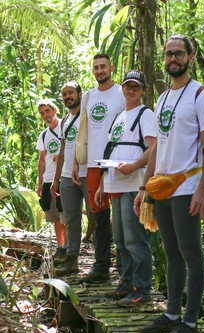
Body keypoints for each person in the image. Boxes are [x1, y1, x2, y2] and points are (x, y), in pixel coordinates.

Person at [134, 34, 204, 333]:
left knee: (191, 252)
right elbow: (156, 148)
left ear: (191, 57)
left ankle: (190, 323)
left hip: (187, 185)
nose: (172, 59)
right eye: (168, 54)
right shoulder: (164, 97)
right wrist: (145, 188)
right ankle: (171, 314)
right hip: (162, 188)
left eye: (179, 54)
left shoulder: (202, 96)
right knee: (171, 252)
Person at [96, 70, 156, 307]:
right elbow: (111, 150)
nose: (130, 90)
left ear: (143, 91)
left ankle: (142, 289)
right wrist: (103, 184)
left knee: (135, 240)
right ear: (122, 88)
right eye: (127, 85)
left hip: (134, 185)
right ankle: (126, 283)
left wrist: (134, 166)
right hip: (116, 184)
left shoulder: (146, 114)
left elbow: (153, 148)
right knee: (120, 240)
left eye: (136, 87)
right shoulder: (120, 116)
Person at [73, 54, 126, 283]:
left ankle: (125, 267)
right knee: (99, 216)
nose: (99, 70)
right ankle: (101, 265)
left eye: (103, 66)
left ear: (111, 68)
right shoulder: (88, 96)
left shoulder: (122, 93)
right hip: (94, 162)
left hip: (119, 161)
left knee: (123, 216)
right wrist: (77, 160)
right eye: (95, 67)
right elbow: (82, 130)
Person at [51, 81, 91, 276]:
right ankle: (72, 258)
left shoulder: (87, 115)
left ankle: (102, 260)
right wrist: (56, 179)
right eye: (65, 93)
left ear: (80, 94)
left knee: (94, 217)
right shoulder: (65, 119)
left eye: (71, 93)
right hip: (67, 175)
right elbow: (62, 149)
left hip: (87, 172)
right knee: (71, 219)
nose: (68, 96)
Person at [35, 99, 67, 263]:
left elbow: (74, 146)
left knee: (65, 213)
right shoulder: (44, 135)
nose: (45, 115)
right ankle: (60, 247)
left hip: (63, 176)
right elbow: (42, 160)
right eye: (42, 113)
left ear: (55, 111)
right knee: (54, 215)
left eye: (48, 111)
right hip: (48, 178)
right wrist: (40, 183)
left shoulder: (65, 126)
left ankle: (69, 248)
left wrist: (62, 155)